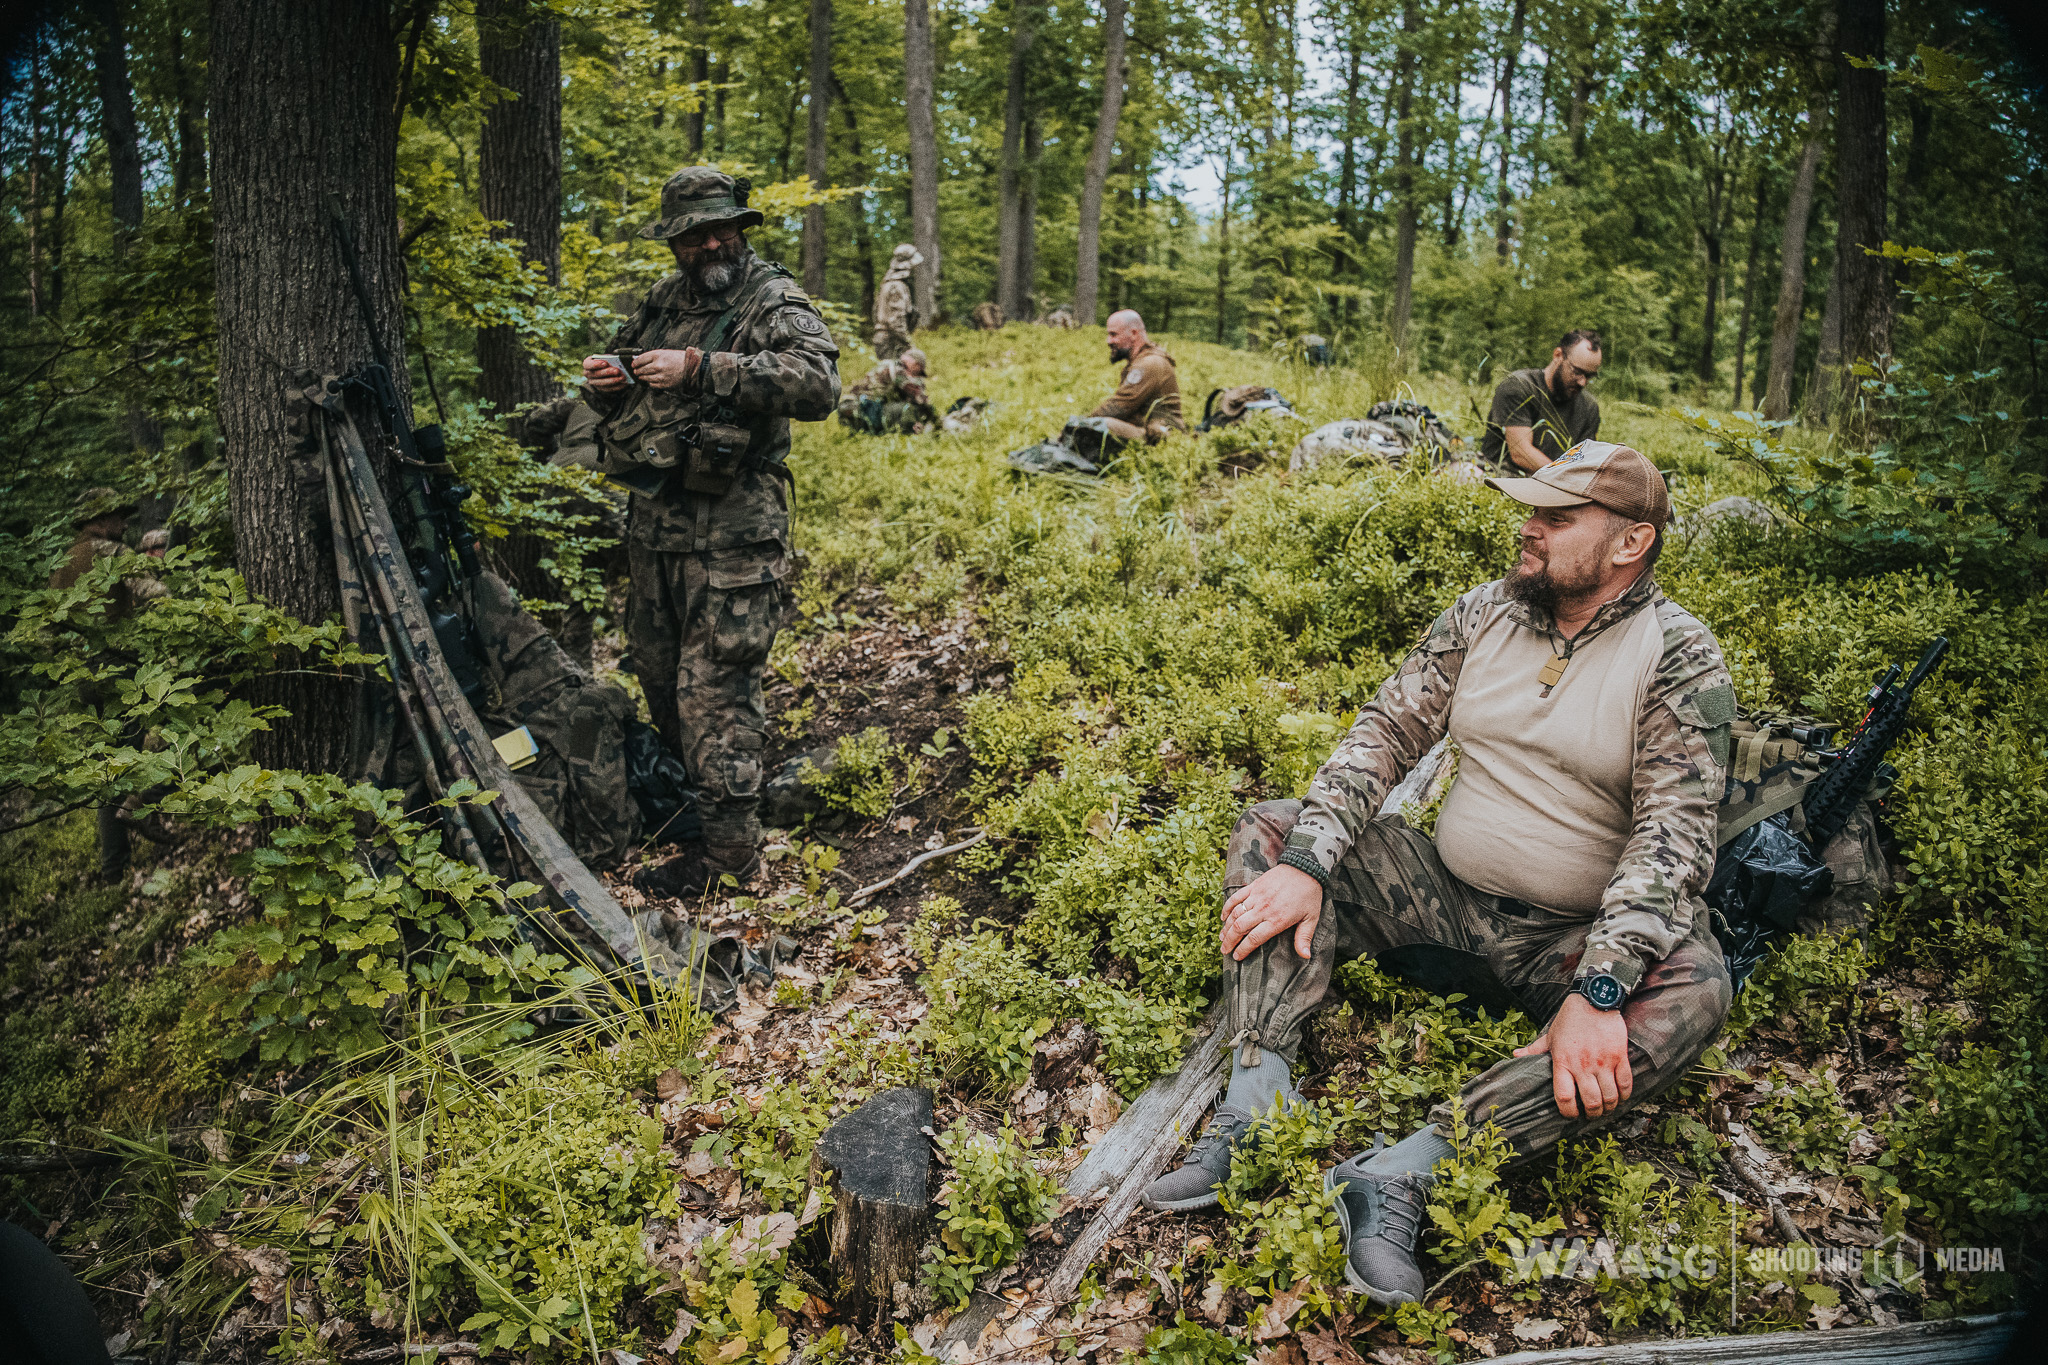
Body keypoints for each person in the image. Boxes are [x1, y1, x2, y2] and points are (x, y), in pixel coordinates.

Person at [1140, 442, 1735, 1309]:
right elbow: (1383, 733)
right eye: (1531, 510)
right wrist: (1310, 864)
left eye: (1557, 518)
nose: (1528, 529)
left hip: (1565, 943)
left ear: (1629, 543)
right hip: (1442, 900)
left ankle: (1406, 1170)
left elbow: (1673, 843)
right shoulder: (1485, 612)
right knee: (1275, 826)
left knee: (1698, 984)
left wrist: (1603, 988)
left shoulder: (1677, 655)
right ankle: (1258, 1094)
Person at [581, 166, 840, 895]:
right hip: (656, 533)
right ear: (676, 242)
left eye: (725, 227)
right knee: (661, 684)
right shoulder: (662, 301)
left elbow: (818, 383)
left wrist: (701, 367)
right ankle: (697, 826)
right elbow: (622, 370)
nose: (715, 242)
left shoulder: (771, 297)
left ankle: (731, 864)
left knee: (716, 699)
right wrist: (603, 383)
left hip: (735, 536)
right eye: (698, 234)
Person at [1480, 329, 1604, 471]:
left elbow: (1584, 463)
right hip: (1502, 477)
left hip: (1553, 485)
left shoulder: (1589, 408)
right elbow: (1520, 453)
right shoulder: (1518, 386)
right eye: (1577, 372)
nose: (1582, 382)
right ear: (1558, 355)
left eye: (1589, 376)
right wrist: (1562, 478)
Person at [1088, 309, 1185, 445]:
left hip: (1162, 437)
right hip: (1150, 430)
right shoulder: (1142, 360)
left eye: (1114, 334)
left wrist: (1082, 423)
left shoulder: (1148, 363)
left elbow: (1119, 407)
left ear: (1133, 334)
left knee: (1104, 424)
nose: (1109, 341)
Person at [837, 348, 937, 434]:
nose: (917, 375)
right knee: (907, 409)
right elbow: (919, 398)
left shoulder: (889, 364)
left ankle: (863, 429)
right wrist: (936, 421)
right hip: (865, 408)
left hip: (851, 405)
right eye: (918, 371)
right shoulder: (899, 370)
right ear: (916, 364)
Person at [874, 244, 923, 359]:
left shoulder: (888, 283)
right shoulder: (897, 286)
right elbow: (896, 321)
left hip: (888, 340)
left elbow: (875, 312)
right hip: (892, 342)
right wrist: (908, 345)